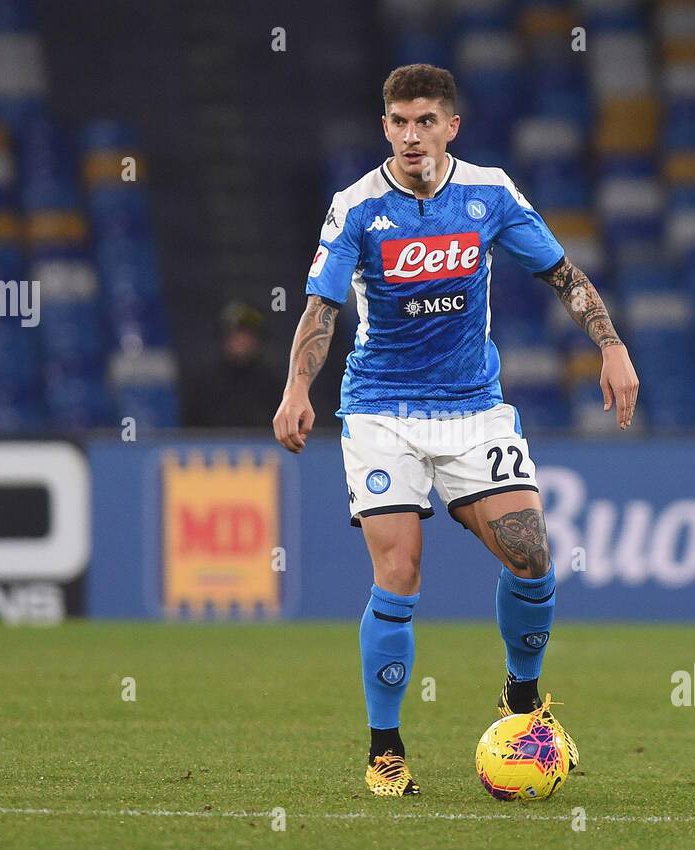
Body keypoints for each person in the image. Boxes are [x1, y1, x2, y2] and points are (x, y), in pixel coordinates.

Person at [272, 63, 639, 796]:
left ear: (451, 127)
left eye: (426, 121)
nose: (413, 135)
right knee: (400, 570)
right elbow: (321, 310)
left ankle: (523, 700)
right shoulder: (357, 207)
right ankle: (385, 747)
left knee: (532, 554)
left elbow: (563, 274)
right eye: (400, 122)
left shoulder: (490, 193)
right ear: (386, 128)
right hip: (382, 409)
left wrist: (612, 344)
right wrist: (296, 387)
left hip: (473, 407)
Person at [206, 301, 283, 428]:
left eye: (247, 334)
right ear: (224, 339)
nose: (241, 341)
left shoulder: (272, 384)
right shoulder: (205, 384)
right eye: (235, 334)